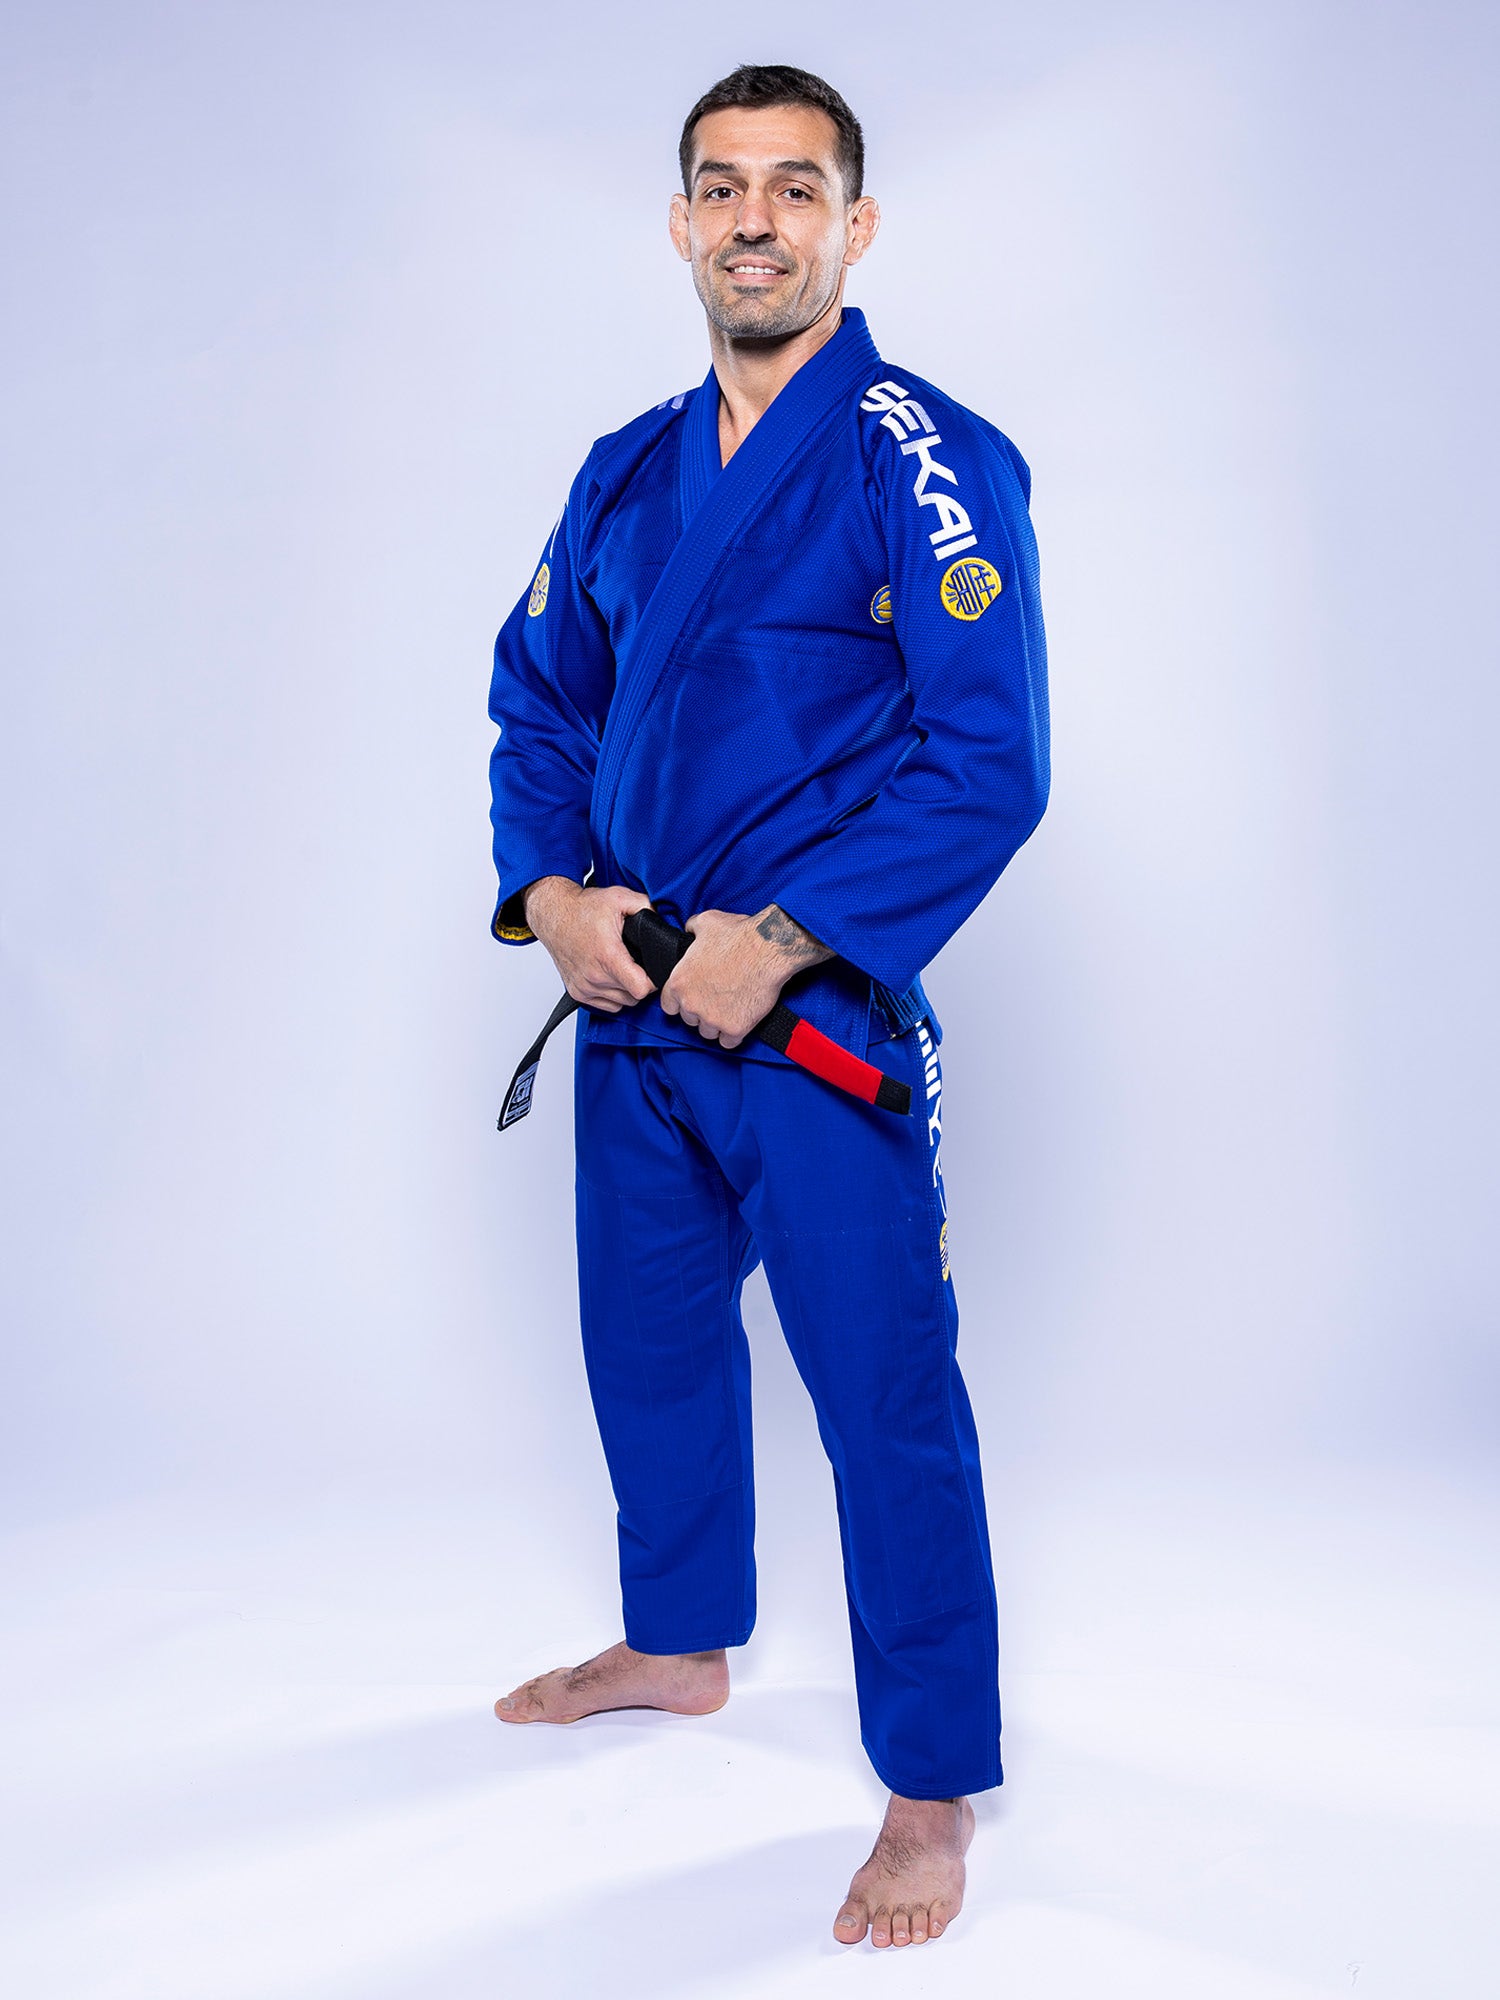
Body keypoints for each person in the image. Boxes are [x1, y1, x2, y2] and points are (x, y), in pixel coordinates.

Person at [486, 63, 1048, 1950]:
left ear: (854, 228)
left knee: (883, 1397)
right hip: (634, 1007)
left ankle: (929, 1786)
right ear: (679, 222)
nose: (754, 219)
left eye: (795, 189)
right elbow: (541, 700)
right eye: (722, 186)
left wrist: (789, 936)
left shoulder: (923, 454)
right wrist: (557, 893)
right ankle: (680, 1639)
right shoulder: (630, 471)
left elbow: (989, 764)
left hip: (812, 1026)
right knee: (644, 1349)